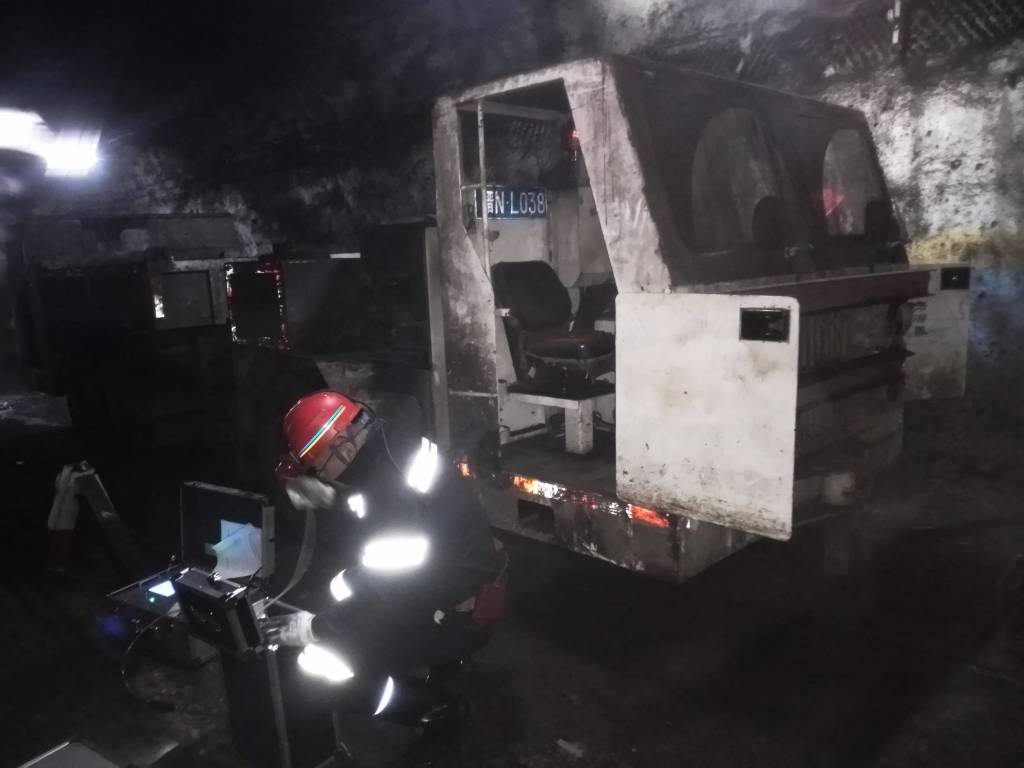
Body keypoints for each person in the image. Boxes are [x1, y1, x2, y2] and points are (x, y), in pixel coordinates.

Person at [262, 390, 505, 767]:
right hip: (448, 574)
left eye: (316, 465)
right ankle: (439, 666)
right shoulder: (388, 446)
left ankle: (439, 709)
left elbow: (388, 593)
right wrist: (330, 497)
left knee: (318, 672)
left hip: (450, 606)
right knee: (339, 588)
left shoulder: (388, 487)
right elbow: (377, 507)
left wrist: (316, 628)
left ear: (343, 446)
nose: (316, 474)